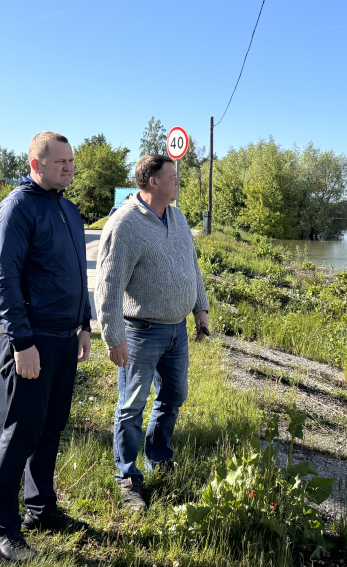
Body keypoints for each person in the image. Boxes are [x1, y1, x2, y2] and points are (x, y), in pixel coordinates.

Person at [0, 132, 92, 562]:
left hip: (66, 338)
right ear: (35, 164)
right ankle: (1, 531)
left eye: (71, 161)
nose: (68, 167)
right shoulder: (17, 208)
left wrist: (84, 324)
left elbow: (79, 274)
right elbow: (4, 280)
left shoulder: (68, 209)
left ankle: (40, 509)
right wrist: (22, 342)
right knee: (22, 432)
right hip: (31, 339)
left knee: (51, 428)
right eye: (60, 161)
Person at [96, 154, 209, 511]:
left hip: (176, 329)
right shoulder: (125, 224)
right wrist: (113, 337)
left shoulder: (177, 217)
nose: (178, 182)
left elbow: (192, 266)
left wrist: (200, 311)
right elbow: (108, 286)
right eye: (172, 177)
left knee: (174, 397)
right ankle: (127, 477)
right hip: (141, 331)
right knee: (131, 406)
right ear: (153, 183)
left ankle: (158, 458)